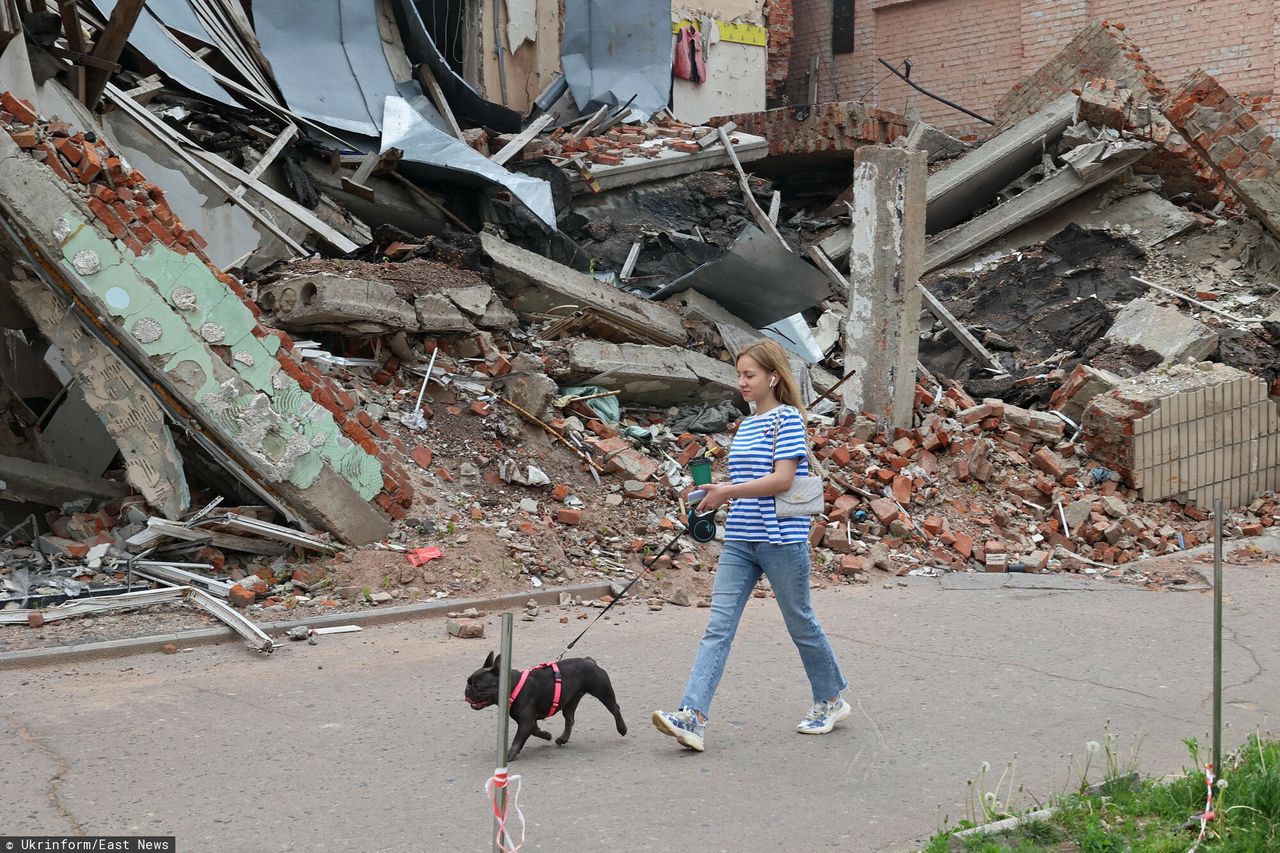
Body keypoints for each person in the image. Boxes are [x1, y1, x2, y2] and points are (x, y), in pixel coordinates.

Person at [652, 339, 849, 752]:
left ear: (772, 377)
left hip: (781, 539)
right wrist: (712, 494)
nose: (741, 382)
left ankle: (830, 700)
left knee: (800, 623)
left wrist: (727, 491)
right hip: (741, 538)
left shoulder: (788, 420)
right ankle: (693, 716)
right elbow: (742, 484)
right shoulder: (746, 425)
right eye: (739, 374)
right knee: (717, 627)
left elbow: (782, 481)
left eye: (749, 375)